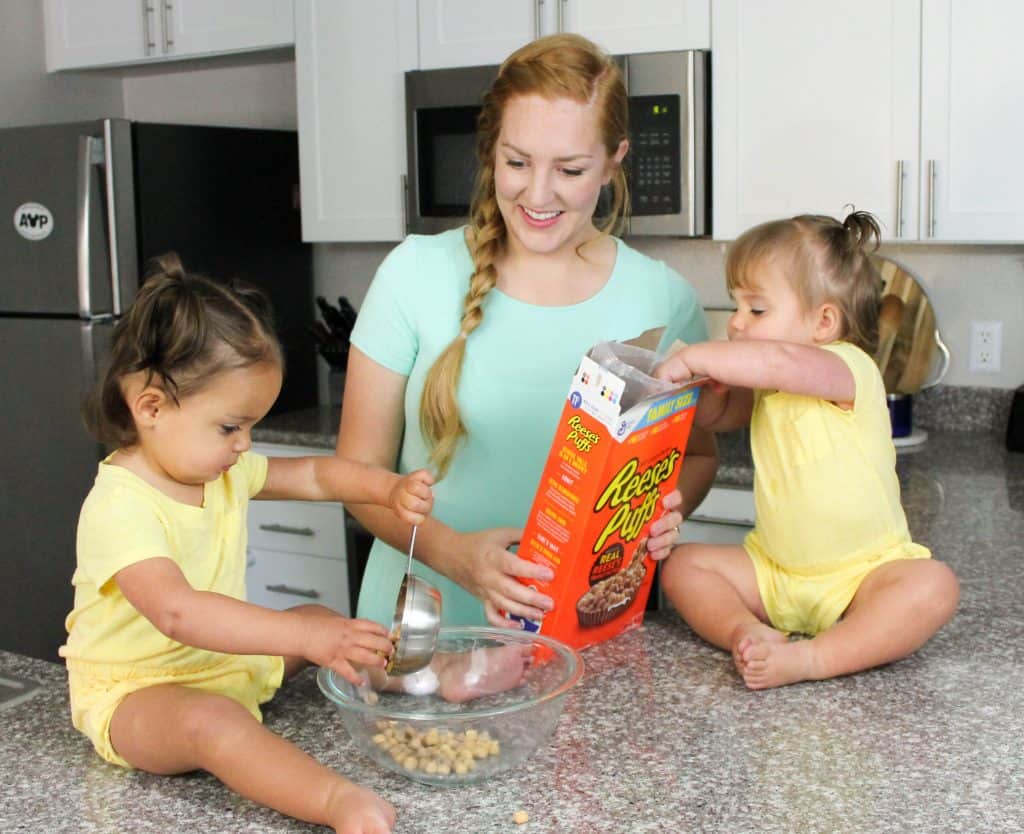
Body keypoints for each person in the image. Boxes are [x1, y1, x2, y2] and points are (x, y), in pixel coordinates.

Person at [337, 33, 718, 629]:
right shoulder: (412, 274)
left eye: (569, 169)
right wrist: (456, 557)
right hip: (421, 637)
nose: (537, 194)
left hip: (584, 638)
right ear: (491, 151)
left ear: (614, 160)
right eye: (516, 163)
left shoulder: (662, 297)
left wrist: (665, 513)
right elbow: (357, 479)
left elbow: (696, 454)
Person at [60, 254, 436, 834]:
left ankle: (432, 677)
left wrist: (387, 487)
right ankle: (337, 803)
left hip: (220, 664)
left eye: (251, 427)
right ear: (151, 407)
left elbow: (314, 477)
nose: (245, 445)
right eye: (231, 427)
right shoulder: (120, 505)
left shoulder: (218, 471)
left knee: (318, 616)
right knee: (217, 723)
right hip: (135, 696)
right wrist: (306, 637)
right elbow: (177, 612)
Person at [655, 211, 960, 690]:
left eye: (756, 310)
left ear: (823, 322)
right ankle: (749, 632)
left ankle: (815, 658)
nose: (736, 323)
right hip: (774, 573)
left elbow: (780, 361)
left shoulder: (848, 367)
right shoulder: (767, 386)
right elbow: (722, 415)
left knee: (933, 586)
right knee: (681, 566)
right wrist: (698, 395)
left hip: (863, 576)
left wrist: (697, 355)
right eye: (736, 306)